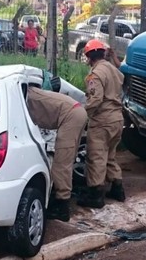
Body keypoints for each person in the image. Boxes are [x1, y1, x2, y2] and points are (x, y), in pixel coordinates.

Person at [26, 85, 87, 221]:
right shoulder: (29, 91)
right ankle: (62, 197)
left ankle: (62, 207)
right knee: (66, 160)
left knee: (61, 164)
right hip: (76, 112)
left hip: (71, 116)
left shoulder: (23, 97)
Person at [78, 39, 125, 209]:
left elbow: (96, 99)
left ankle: (96, 194)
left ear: (89, 57)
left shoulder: (95, 74)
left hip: (102, 121)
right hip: (117, 119)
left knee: (96, 156)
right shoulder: (113, 69)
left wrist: (81, 114)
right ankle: (117, 188)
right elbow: (123, 77)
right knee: (110, 155)